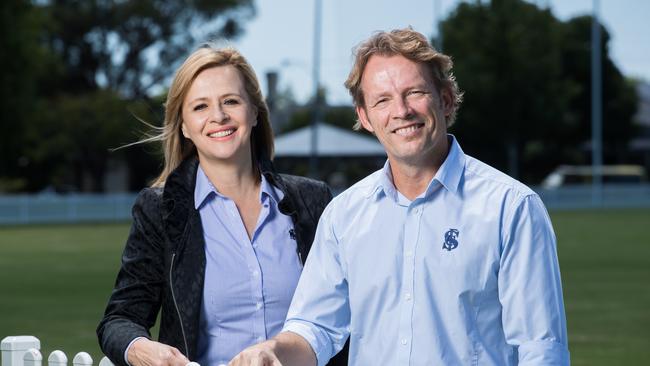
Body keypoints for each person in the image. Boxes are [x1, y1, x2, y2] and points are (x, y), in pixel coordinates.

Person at [231, 28, 570, 365]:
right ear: (364, 117)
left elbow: (541, 349)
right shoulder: (344, 215)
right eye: (382, 100)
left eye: (415, 92)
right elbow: (315, 327)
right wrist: (273, 351)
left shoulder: (512, 208)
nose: (402, 111)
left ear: (446, 98)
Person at [96, 45, 347, 366]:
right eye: (200, 106)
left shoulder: (312, 200)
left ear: (255, 111)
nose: (218, 116)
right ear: (184, 125)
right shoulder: (160, 210)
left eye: (231, 101)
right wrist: (142, 349)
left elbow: (342, 311)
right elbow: (119, 319)